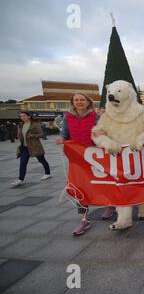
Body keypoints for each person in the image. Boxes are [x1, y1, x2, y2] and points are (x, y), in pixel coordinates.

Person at [56, 93, 115, 235]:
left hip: (96, 157)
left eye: (82, 99)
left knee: (103, 182)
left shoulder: (96, 117)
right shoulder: (67, 117)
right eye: (76, 100)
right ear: (73, 102)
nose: (79, 102)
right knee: (79, 187)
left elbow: (106, 133)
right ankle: (84, 220)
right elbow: (65, 135)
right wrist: (61, 139)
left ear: (88, 102)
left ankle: (110, 205)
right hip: (77, 159)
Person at [11, 111, 51, 187]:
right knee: (23, 163)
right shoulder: (21, 125)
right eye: (21, 116)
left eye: (24, 116)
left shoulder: (35, 124)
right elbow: (21, 136)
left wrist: (32, 135)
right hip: (24, 147)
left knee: (42, 160)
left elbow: (42, 134)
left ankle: (47, 173)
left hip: (34, 146)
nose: (22, 117)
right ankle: (20, 179)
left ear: (29, 116)